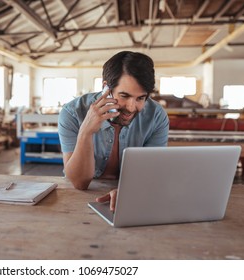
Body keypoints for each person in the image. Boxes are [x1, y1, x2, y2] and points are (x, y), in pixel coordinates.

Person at [58, 51, 169, 211]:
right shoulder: (73, 112)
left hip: (132, 198)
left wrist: (128, 191)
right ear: (106, 88)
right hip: (79, 199)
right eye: (124, 96)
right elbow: (79, 182)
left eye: (140, 98)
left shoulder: (156, 116)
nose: (131, 107)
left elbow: (151, 174)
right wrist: (86, 132)